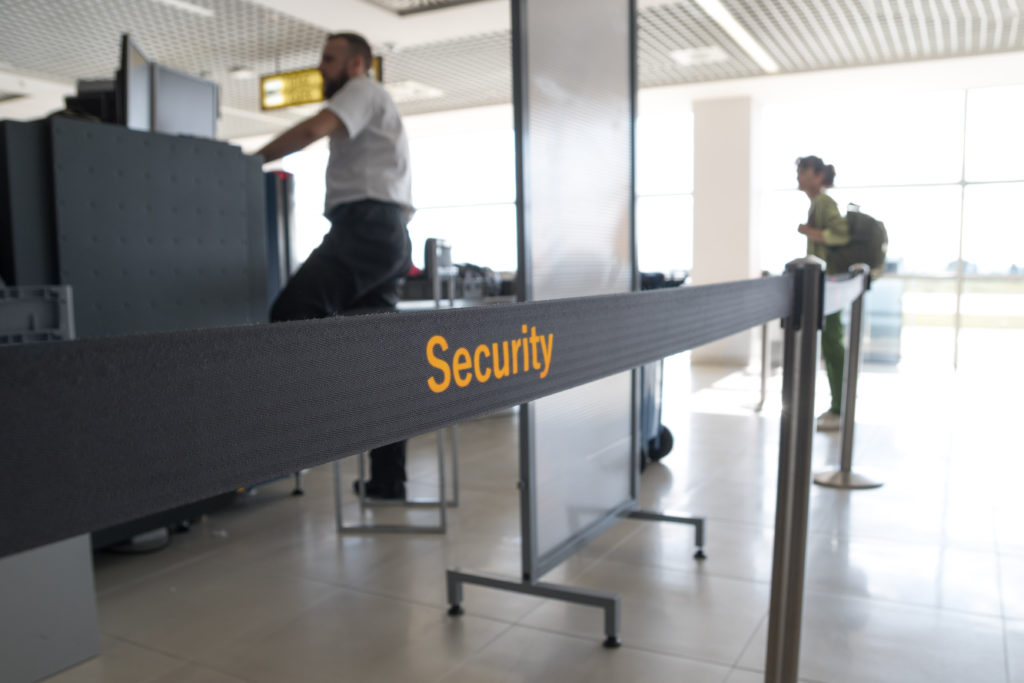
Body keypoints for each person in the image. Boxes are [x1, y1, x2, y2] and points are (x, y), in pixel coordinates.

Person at [257, 32, 413, 498]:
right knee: (381, 361)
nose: (321, 68)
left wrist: (249, 160)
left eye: (329, 59)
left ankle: (318, 425)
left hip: (365, 229)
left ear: (356, 64)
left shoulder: (362, 90)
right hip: (385, 234)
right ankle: (388, 480)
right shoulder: (372, 99)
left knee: (290, 313)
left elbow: (310, 131)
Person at [796, 155, 850, 432]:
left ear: (818, 175)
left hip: (830, 283)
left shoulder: (825, 203)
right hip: (825, 284)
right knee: (830, 344)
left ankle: (839, 408)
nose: (798, 176)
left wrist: (810, 232)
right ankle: (837, 405)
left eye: (803, 171)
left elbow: (840, 235)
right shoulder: (817, 203)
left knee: (832, 344)